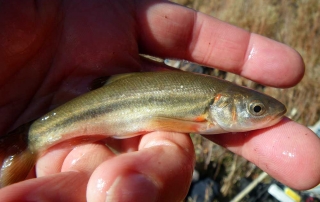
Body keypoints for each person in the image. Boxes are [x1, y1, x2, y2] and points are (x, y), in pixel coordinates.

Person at [0, 1, 319, 201]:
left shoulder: (211, 104)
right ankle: (27, 141)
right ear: (220, 103)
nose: (263, 113)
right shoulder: (204, 112)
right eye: (256, 109)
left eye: (256, 108)